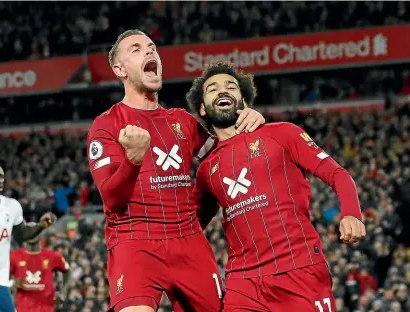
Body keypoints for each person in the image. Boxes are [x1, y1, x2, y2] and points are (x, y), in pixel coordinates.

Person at [86, 29, 265, 312]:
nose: (149, 52)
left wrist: (250, 121)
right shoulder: (107, 125)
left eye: (152, 47)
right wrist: (133, 160)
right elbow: (112, 199)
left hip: (188, 241)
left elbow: (228, 155)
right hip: (135, 242)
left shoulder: (181, 121)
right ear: (119, 69)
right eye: (136, 49)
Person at [188, 61, 366, 312]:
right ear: (203, 109)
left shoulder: (282, 133)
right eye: (212, 89)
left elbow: (337, 173)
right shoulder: (207, 169)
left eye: (231, 86)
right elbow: (189, 225)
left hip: (299, 270)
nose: (222, 91)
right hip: (243, 283)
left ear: (244, 101)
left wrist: (351, 213)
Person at [0, 161, 56, 312]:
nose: (0, 180)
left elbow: (21, 235)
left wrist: (40, 226)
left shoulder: (11, 206)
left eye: (1, 177)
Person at [10, 227, 70, 312]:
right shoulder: (15, 256)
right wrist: (12, 287)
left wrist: (63, 292)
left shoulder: (53, 256)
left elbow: (67, 271)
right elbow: (5, 279)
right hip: (23, 306)